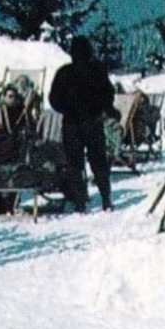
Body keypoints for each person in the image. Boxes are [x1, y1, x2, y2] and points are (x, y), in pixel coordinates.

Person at [48, 36, 119, 212]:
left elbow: (54, 99)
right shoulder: (97, 71)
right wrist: (106, 110)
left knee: (74, 164)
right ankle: (105, 198)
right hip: (92, 122)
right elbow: (108, 94)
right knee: (99, 162)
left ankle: (80, 202)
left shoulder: (63, 73)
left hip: (71, 124)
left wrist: (67, 109)